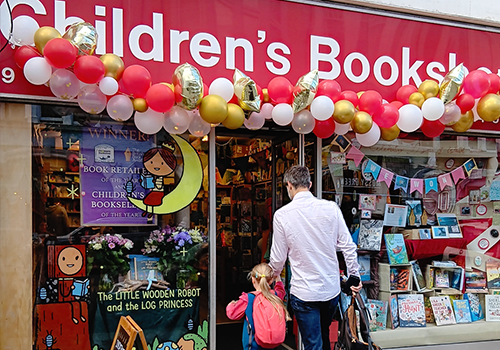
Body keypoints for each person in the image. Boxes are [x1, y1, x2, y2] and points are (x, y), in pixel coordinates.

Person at [269, 165, 362, 350]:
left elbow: (278, 257)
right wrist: (354, 275)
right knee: (325, 336)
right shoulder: (331, 208)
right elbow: (348, 245)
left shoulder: (282, 215)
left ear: (289, 185)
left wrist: (273, 274)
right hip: (330, 289)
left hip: (304, 291)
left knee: (313, 342)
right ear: (310, 184)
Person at [226, 263, 289, 350]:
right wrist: (277, 278)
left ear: (252, 280)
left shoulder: (248, 298)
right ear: (271, 281)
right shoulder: (275, 296)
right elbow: (281, 291)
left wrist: (231, 304)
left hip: (253, 345)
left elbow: (232, 314)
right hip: (272, 345)